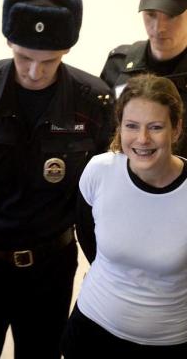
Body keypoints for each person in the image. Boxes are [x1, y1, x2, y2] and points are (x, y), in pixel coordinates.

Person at [0, 0, 114, 359]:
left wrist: (107, 264)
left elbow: (102, 193)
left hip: (49, 269)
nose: (35, 71)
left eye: (48, 61)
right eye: (24, 58)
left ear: (66, 50)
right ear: (9, 45)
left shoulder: (92, 102)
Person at [61, 73, 187, 358]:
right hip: (91, 331)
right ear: (119, 127)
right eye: (131, 126)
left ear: (176, 129)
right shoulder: (99, 171)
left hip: (168, 341)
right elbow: (87, 237)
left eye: (156, 127)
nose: (142, 139)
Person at [101, 0, 187, 157]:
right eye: (151, 14)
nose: (158, 28)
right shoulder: (118, 64)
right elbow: (102, 133)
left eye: (171, 16)